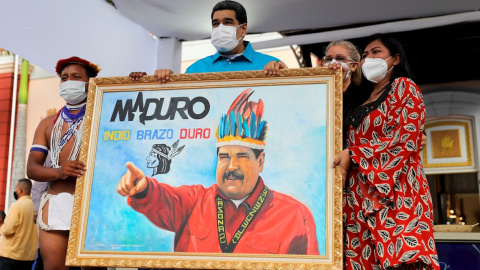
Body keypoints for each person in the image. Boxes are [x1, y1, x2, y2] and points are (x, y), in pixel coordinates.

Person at [117, 88, 319, 255]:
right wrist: (144, 189)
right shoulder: (194, 201)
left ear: (260, 161)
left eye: (242, 156)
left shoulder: (295, 215)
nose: (231, 166)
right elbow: (163, 199)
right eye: (224, 157)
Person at [332, 34, 439, 269]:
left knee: (403, 258)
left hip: (396, 192)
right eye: (365, 55)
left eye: (376, 52)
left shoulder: (403, 87)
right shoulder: (359, 99)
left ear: (395, 59)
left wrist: (354, 154)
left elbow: (407, 137)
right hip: (358, 198)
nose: (369, 58)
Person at [26, 57, 104, 270]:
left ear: (90, 82)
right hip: (56, 203)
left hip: (93, 205)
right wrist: (59, 172)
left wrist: (137, 81)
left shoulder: (103, 115)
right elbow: (32, 168)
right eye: (64, 78)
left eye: (76, 77)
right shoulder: (47, 123)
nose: (69, 81)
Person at [129, 0, 287, 82]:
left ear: (243, 29)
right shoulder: (195, 69)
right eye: (215, 24)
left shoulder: (272, 65)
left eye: (228, 22)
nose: (220, 28)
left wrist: (287, 76)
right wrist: (151, 82)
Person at [0, 179, 38, 270]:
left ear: (20, 190)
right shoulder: (35, 206)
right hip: (28, 256)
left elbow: (8, 229)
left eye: (15, 189)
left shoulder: (17, 205)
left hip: (12, 255)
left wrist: (2, 228)